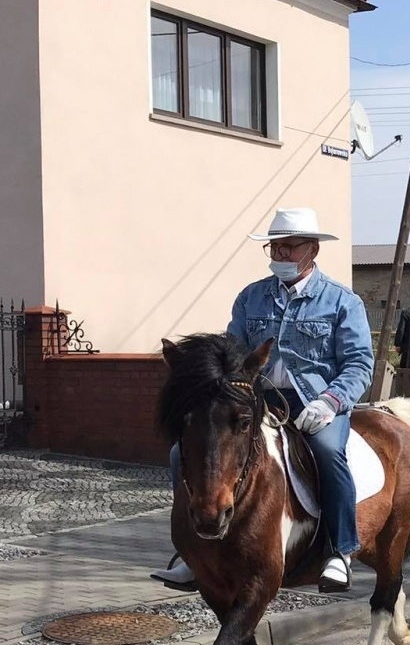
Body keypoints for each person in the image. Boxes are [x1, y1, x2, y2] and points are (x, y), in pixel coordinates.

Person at [153, 207, 374, 594]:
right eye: (275, 247)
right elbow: (232, 354)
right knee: (179, 454)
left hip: (318, 402)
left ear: (312, 251)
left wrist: (331, 401)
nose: (281, 255)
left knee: (327, 451)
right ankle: (192, 552)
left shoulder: (343, 302)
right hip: (256, 400)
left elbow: (359, 363)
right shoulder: (250, 297)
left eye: (290, 247)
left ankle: (340, 551)